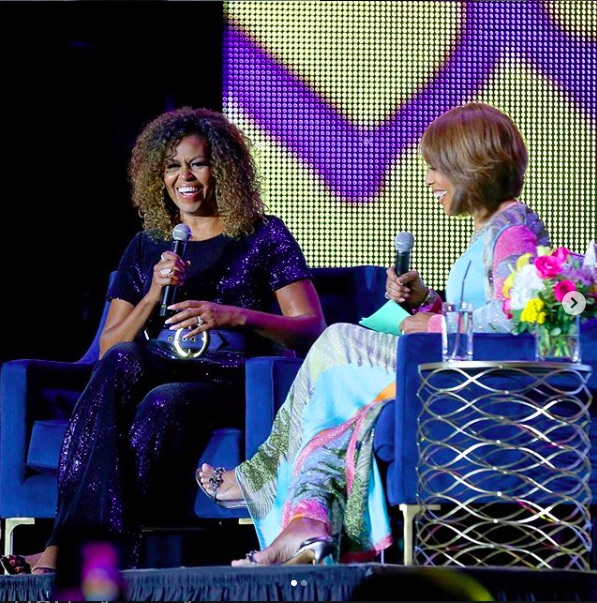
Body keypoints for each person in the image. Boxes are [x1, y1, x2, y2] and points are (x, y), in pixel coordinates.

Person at [197, 102, 551, 566]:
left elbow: (518, 324)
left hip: (462, 377)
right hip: (444, 361)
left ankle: (261, 476)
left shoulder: (514, 231)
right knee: (336, 392)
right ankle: (308, 521)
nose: (430, 181)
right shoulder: (492, 232)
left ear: (471, 166)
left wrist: (436, 323)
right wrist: (426, 304)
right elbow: (483, 312)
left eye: (436, 169)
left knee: (338, 340)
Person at [1, 106, 325, 574]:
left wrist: (232, 315)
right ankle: (82, 553)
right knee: (123, 363)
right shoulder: (149, 244)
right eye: (172, 166)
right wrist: (153, 292)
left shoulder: (262, 234)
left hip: (231, 380)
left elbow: (310, 325)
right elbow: (109, 349)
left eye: (197, 163)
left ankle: (68, 551)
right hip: (159, 362)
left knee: (163, 403)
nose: (184, 177)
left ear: (224, 169)